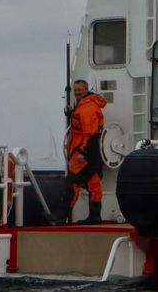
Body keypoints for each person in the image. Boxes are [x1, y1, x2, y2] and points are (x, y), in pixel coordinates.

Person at [64, 79, 107, 224]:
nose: (76, 93)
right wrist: (71, 114)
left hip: (84, 152)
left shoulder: (87, 108)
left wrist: (82, 153)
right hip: (91, 152)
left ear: (86, 90)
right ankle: (95, 218)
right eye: (75, 90)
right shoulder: (84, 105)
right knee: (93, 183)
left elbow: (90, 134)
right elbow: (81, 126)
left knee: (72, 183)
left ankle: (60, 216)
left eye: (79, 90)